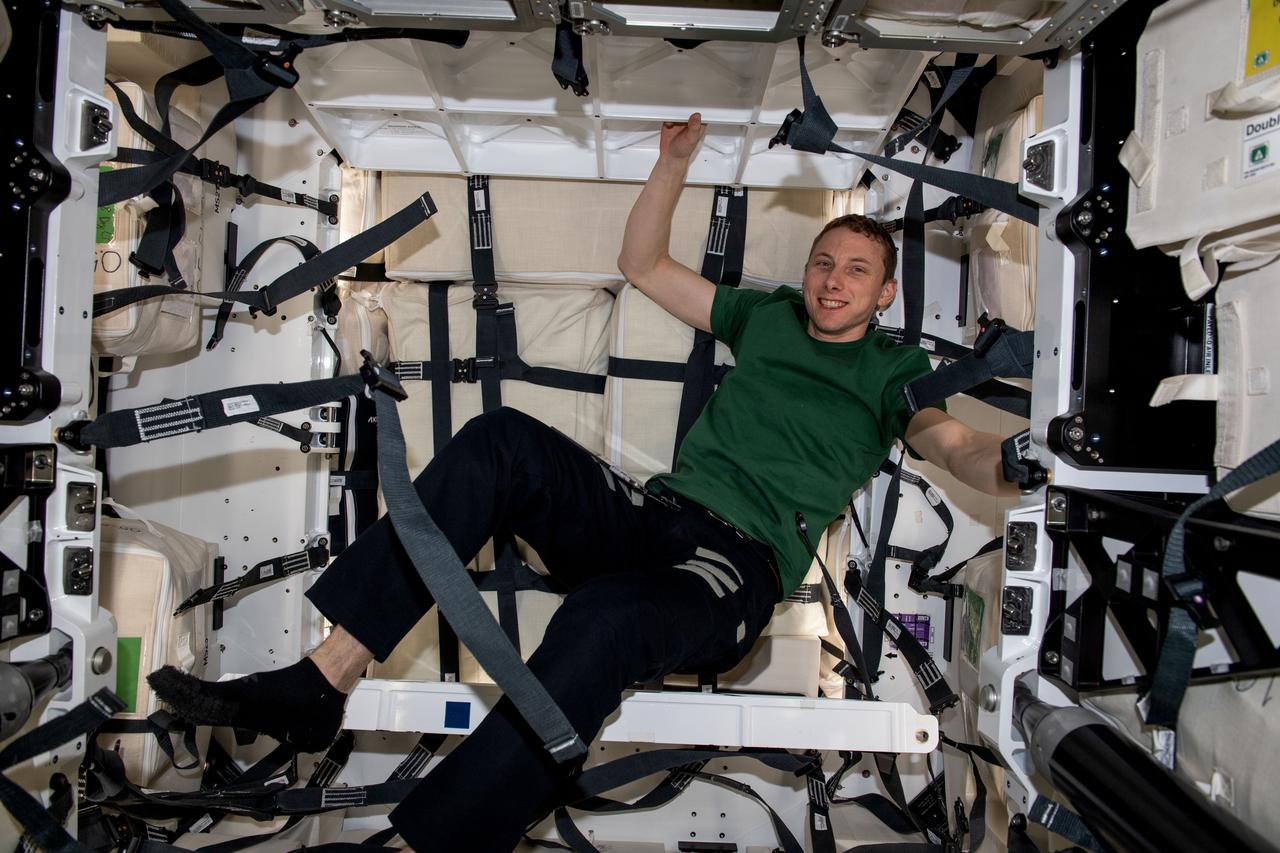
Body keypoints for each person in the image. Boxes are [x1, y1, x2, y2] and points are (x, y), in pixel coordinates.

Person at [148, 113, 1015, 851]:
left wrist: (1009, 464)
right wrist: (672, 165)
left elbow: (955, 444)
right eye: (824, 263)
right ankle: (323, 679)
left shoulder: (895, 374)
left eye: (854, 271)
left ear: (886, 291)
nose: (831, 281)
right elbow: (644, 265)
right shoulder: (769, 317)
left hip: (732, 573)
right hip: (656, 517)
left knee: (603, 619)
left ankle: (428, 840)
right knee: (500, 443)